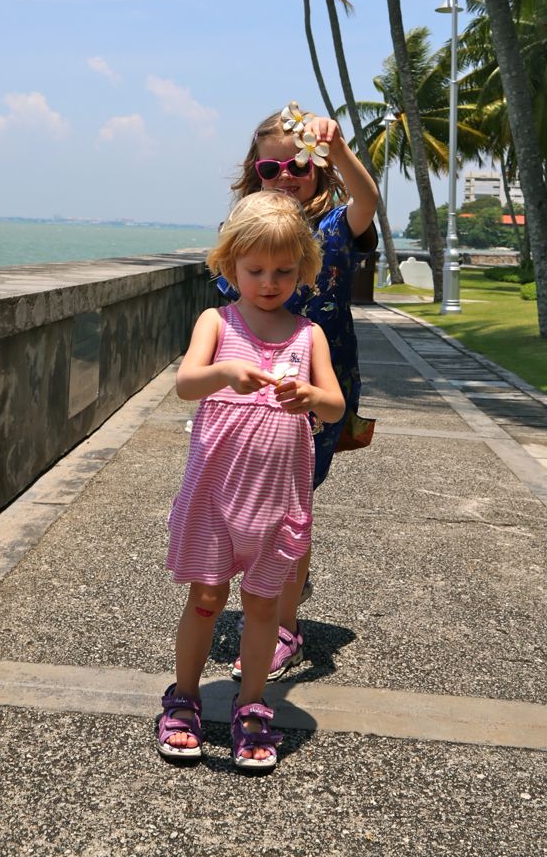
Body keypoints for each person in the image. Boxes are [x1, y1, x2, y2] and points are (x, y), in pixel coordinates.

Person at [159, 191, 345, 772]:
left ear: (304, 270)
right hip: (215, 499)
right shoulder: (217, 322)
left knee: (263, 605)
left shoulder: (309, 335)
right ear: (230, 265)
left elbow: (336, 405)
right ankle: (184, 697)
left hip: (275, 503)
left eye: (284, 271)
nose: (269, 282)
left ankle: (251, 705)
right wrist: (224, 372)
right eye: (256, 269)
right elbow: (186, 383)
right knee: (206, 598)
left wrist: (310, 396)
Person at [225, 103, 379, 684]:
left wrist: (339, 149)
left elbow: (367, 202)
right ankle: (279, 594)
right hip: (252, 397)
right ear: (255, 173)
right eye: (271, 169)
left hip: (317, 394)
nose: (285, 176)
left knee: (292, 506)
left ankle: (283, 626)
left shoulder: (334, 226)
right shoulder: (245, 233)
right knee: (256, 505)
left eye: (299, 166)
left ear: (318, 170)